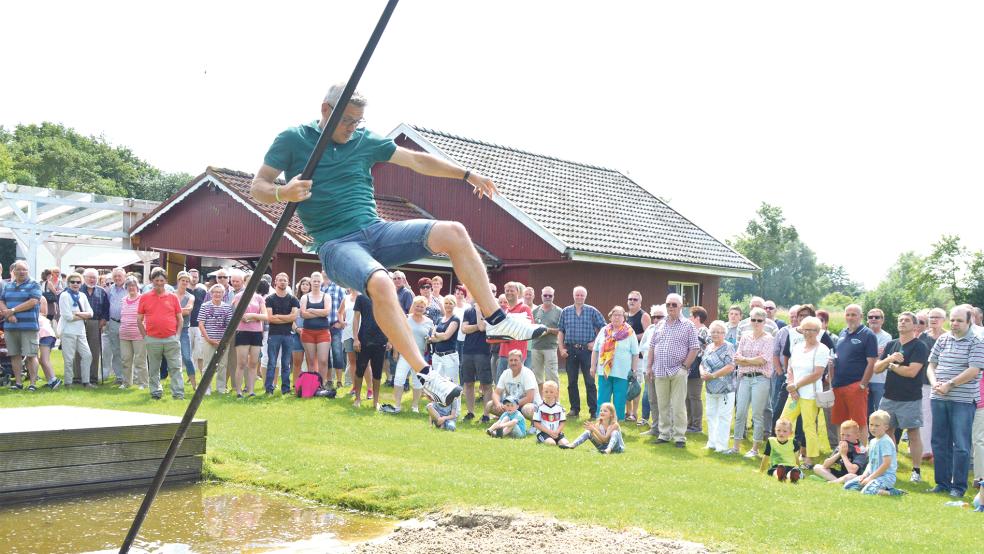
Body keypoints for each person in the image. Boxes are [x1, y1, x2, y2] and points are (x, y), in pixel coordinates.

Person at [927, 306, 984, 498]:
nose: (954, 324)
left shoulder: (977, 341)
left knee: (961, 444)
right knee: (939, 442)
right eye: (952, 320)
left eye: (959, 320)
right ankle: (941, 483)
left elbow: (974, 370)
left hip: (963, 400)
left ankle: (958, 487)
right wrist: (935, 383)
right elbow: (931, 364)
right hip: (938, 397)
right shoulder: (943, 339)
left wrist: (949, 385)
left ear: (969, 322)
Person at [873, 311, 929, 483]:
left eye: (906, 320)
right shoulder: (891, 345)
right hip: (889, 396)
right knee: (887, 432)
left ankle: (916, 471)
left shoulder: (919, 346)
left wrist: (891, 366)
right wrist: (891, 359)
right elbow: (876, 368)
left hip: (910, 398)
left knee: (913, 433)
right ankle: (890, 467)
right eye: (900, 320)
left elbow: (912, 372)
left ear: (914, 325)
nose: (902, 323)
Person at [648, 293, 700, 447]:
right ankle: (664, 434)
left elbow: (695, 348)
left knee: (678, 406)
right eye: (668, 304)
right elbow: (652, 346)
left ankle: (679, 437)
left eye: (674, 305)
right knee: (662, 404)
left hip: (678, 370)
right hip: (660, 370)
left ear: (681, 307)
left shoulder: (688, 325)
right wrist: (649, 366)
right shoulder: (660, 324)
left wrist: (684, 367)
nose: (670, 307)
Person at [779, 316, 829, 468]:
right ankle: (783, 452)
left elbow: (817, 374)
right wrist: (791, 386)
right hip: (794, 394)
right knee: (783, 421)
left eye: (811, 330)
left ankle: (809, 458)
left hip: (810, 395)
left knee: (808, 426)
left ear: (818, 331)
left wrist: (796, 385)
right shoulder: (797, 347)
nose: (807, 333)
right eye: (804, 330)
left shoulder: (822, 349)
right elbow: (790, 368)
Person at [831, 304, 878, 443]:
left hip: (856, 385)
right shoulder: (842, 333)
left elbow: (871, 362)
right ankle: (843, 451)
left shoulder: (868, 334)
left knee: (859, 423)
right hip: (838, 385)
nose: (850, 317)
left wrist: (863, 384)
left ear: (861, 317)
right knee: (840, 422)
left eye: (854, 314)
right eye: (848, 314)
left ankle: (863, 453)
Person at [557, 286, 606, 418]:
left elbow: (605, 329)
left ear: (585, 296)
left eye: (581, 295)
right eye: (577, 295)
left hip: (587, 351)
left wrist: (595, 343)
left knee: (590, 382)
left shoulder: (592, 311)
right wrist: (561, 349)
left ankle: (593, 411)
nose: (579, 297)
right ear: (573, 296)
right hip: (570, 350)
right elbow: (560, 331)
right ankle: (574, 409)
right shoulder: (566, 311)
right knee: (571, 382)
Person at [733, 307, 775, 458]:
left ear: (764, 322)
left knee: (757, 415)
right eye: (753, 320)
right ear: (749, 321)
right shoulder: (745, 336)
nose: (756, 323)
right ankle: (736, 447)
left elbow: (762, 360)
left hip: (761, 379)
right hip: (744, 378)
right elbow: (737, 357)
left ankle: (755, 449)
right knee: (740, 413)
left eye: (759, 320)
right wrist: (747, 361)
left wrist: (745, 360)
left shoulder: (769, 339)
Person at [138, 268, 184, 400]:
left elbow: (180, 318)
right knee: (153, 368)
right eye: (156, 280)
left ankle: (178, 393)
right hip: (152, 339)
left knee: (175, 367)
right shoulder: (145, 297)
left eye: (161, 280)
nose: (159, 283)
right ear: (152, 281)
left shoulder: (173, 297)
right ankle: (156, 392)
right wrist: (145, 337)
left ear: (166, 281)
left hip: (171, 338)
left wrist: (178, 335)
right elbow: (139, 319)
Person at [591, 305, 639, 421]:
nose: (617, 317)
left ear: (624, 318)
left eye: (620, 315)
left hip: (622, 373)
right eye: (614, 315)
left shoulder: (630, 332)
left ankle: (617, 422)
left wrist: (633, 371)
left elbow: (635, 353)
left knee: (619, 399)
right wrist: (593, 366)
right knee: (603, 398)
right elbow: (595, 349)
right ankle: (601, 420)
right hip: (605, 372)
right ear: (610, 317)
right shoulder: (604, 330)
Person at [0, 260, 42, 390]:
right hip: (10, 327)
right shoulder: (8, 285)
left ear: (28, 271)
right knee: (14, 354)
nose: (21, 272)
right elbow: (1, 300)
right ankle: (18, 383)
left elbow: (33, 301)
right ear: (13, 271)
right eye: (18, 269)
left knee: (31, 355)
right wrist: (8, 315)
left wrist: (13, 311)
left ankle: (32, 384)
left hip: (29, 327)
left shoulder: (34, 284)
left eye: (24, 269)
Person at [390, 296, 433, 413]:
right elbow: (397, 334)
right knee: (399, 378)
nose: (419, 308)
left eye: (422, 306)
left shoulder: (430, 322)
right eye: (417, 306)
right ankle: (397, 405)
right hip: (405, 354)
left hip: (420, 357)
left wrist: (430, 339)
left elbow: (432, 337)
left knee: (418, 382)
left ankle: (415, 407)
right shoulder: (405, 318)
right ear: (413, 306)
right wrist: (395, 350)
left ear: (425, 308)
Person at [700, 321, 737, 453]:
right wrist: (702, 372)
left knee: (723, 416)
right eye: (713, 332)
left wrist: (713, 376)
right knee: (711, 415)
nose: (715, 334)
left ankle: (722, 445)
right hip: (710, 388)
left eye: (718, 332)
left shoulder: (729, 347)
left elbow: (730, 366)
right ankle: (712, 442)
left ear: (724, 334)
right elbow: (702, 363)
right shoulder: (709, 347)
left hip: (726, 388)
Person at [844, 410, 900, 495]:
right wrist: (864, 475)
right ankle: (870, 486)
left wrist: (870, 478)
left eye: (877, 425)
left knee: (867, 491)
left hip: (885, 477)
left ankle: (892, 492)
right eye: (871, 424)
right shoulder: (873, 441)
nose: (873, 428)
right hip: (873, 476)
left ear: (886, 427)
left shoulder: (885, 442)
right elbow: (871, 462)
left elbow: (886, 464)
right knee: (848, 486)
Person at [353, 288, 389, 410]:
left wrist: (389, 339)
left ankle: (375, 401)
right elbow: (356, 318)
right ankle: (357, 398)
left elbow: (389, 320)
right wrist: (356, 338)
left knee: (377, 372)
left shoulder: (386, 298)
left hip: (381, 340)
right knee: (360, 369)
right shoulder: (361, 297)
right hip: (364, 339)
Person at [920, 306, 948, 461]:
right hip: (925, 382)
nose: (934, 320)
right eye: (931, 317)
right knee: (926, 415)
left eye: (937, 317)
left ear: (944, 320)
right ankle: (926, 450)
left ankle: (941, 450)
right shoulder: (922, 337)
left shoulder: (949, 336)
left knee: (942, 417)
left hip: (945, 383)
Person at [232, 278, 267, 398]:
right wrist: (256, 317)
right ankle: (238, 391)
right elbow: (239, 315)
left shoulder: (259, 297)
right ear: (244, 282)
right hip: (242, 331)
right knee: (241, 363)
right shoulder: (239, 296)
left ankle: (251, 390)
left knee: (253, 363)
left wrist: (252, 316)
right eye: (248, 281)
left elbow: (265, 316)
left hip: (256, 332)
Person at [265, 273, 300, 394]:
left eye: (285, 280)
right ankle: (269, 389)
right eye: (280, 280)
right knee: (272, 362)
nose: (283, 282)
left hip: (288, 335)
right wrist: (287, 317)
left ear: (288, 282)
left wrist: (279, 316)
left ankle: (286, 389)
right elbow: (270, 318)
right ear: (275, 282)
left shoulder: (293, 299)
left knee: (286, 363)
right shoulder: (269, 299)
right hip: (274, 334)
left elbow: (294, 317)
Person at [460, 294, 493, 422]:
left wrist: (479, 312)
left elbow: (483, 327)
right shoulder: (468, 311)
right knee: (468, 383)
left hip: (483, 352)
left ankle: (486, 414)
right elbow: (464, 329)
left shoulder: (489, 311)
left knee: (486, 384)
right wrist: (476, 326)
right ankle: (470, 412)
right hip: (468, 351)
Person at [493, 282, 534, 382]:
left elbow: (530, 328)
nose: (509, 293)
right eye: (507, 291)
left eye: (512, 291)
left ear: (518, 292)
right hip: (503, 352)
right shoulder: (505, 311)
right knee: (501, 383)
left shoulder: (524, 308)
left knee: (514, 383)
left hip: (517, 354)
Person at [59, 272, 94, 388]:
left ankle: (86, 382)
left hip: (81, 331)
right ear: (68, 283)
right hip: (68, 331)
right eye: (72, 282)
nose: (75, 284)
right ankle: (68, 383)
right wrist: (83, 315)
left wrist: (77, 313)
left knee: (87, 355)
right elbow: (67, 317)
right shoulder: (64, 296)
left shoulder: (82, 296)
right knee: (69, 359)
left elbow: (91, 313)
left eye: (78, 282)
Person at [198, 283, 233, 395]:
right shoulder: (205, 306)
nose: (217, 294)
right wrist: (208, 339)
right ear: (211, 293)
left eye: (220, 292)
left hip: (223, 341)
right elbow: (201, 324)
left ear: (223, 294)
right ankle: (206, 389)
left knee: (223, 365)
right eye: (215, 292)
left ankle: (221, 389)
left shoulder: (227, 307)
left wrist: (225, 340)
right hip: (208, 340)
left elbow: (229, 325)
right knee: (207, 365)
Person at [487, 349, 541, 420]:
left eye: (516, 360)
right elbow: (496, 393)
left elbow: (530, 397)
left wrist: (512, 405)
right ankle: (508, 420)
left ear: (521, 361)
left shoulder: (527, 373)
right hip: (511, 405)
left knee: (527, 409)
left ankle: (535, 424)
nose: (513, 363)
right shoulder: (505, 373)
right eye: (511, 360)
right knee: (490, 405)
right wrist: (498, 404)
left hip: (530, 404)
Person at [76, 268, 108, 384]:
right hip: (79, 322)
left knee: (94, 351)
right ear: (84, 278)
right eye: (89, 277)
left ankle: (93, 377)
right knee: (79, 350)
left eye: (94, 277)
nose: (92, 280)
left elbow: (106, 308)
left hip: (95, 323)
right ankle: (78, 377)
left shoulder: (102, 291)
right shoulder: (78, 290)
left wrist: (103, 320)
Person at [300, 272, 332, 384]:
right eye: (314, 281)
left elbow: (327, 312)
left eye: (319, 281)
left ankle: (321, 384)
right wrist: (320, 312)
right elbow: (303, 314)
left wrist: (312, 310)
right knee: (311, 362)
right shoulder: (305, 297)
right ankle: (312, 384)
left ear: (322, 282)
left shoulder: (326, 296)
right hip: (308, 332)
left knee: (323, 360)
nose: (316, 283)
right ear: (311, 282)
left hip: (323, 332)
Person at [530, 286, 562, 396]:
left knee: (552, 376)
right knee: (537, 377)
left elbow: (562, 331)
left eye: (550, 295)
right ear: (541, 296)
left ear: (553, 296)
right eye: (545, 295)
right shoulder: (535, 311)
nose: (547, 297)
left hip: (550, 347)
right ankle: (540, 401)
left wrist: (548, 330)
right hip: (536, 347)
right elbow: (530, 328)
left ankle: (555, 402)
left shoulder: (559, 311)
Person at [640, 304, 666, 432]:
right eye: (654, 317)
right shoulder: (650, 329)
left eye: (659, 317)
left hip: (663, 371)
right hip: (648, 370)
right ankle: (655, 428)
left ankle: (666, 428)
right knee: (652, 399)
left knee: (664, 401)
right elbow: (643, 348)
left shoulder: (668, 330)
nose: (656, 320)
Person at [119, 276, 148, 389]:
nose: (131, 288)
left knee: (140, 360)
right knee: (125, 359)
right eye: (129, 286)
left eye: (133, 286)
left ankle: (143, 383)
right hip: (124, 334)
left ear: (137, 287)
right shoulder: (123, 300)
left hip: (139, 334)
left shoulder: (143, 299)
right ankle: (126, 383)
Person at [686, 306, 709, 433]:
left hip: (697, 366)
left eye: (691, 315)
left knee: (694, 396)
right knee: (686, 396)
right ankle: (689, 423)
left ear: (697, 318)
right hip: (689, 367)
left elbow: (710, 349)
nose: (689, 318)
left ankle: (696, 425)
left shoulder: (705, 332)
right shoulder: (692, 330)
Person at [866, 308, 894, 417]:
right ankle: (868, 435)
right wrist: (873, 354)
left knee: (880, 413)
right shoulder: (862, 334)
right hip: (864, 379)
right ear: (867, 320)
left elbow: (879, 357)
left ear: (882, 320)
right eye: (870, 317)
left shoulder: (886, 337)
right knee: (865, 413)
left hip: (880, 380)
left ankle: (881, 434)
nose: (873, 319)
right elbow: (872, 355)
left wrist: (866, 354)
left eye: (877, 317)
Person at [103, 267, 127, 386]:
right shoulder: (109, 290)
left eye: (120, 276)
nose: (117, 278)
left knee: (127, 351)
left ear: (124, 277)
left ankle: (129, 376)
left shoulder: (130, 288)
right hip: (113, 323)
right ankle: (119, 376)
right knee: (116, 351)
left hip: (127, 324)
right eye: (115, 276)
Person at [428, 295, 461, 385]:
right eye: (446, 303)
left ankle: (455, 400)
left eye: (451, 303)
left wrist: (437, 335)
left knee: (451, 385)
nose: (448, 305)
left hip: (449, 356)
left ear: (454, 305)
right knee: (438, 384)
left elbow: (446, 336)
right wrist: (439, 336)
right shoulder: (439, 320)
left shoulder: (455, 319)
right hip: (437, 356)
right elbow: (432, 338)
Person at [175, 272, 199, 391]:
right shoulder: (171, 294)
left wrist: (173, 311)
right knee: (170, 357)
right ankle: (174, 383)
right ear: (178, 281)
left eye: (186, 281)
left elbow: (188, 311)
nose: (184, 282)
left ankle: (194, 383)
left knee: (187, 357)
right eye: (182, 280)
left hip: (184, 329)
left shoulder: (190, 296)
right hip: (170, 329)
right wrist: (181, 310)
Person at [323, 276, 347, 389]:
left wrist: (341, 322)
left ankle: (339, 381)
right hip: (322, 327)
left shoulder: (339, 288)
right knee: (325, 354)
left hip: (335, 326)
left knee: (337, 353)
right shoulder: (320, 287)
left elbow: (345, 307)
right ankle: (329, 380)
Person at [187, 268, 209, 385]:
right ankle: (190, 376)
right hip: (186, 325)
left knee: (200, 353)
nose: (194, 278)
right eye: (192, 276)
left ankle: (201, 378)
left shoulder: (202, 291)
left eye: (196, 276)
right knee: (187, 353)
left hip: (199, 325)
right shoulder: (184, 290)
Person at [532, 380, 569, 446]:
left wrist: (557, 432)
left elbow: (562, 422)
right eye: (546, 392)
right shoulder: (539, 407)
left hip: (556, 432)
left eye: (551, 392)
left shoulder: (560, 408)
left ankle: (554, 439)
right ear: (543, 392)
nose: (548, 394)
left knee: (565, 444)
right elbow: (536, 424)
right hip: (543, 432)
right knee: (551, 444)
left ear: (556, 393)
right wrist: (549, 432)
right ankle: (540, 439)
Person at [291, 277, 312, 386]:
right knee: (297, 361)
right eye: (303, 284)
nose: (305, 286)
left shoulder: (313, 300)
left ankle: (308, 384)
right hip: (296, 334)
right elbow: (290, 318)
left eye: (307, 284)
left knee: (310, 361)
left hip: (309, 334)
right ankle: (295, 384)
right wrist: (296, 328)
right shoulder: (294, 300)